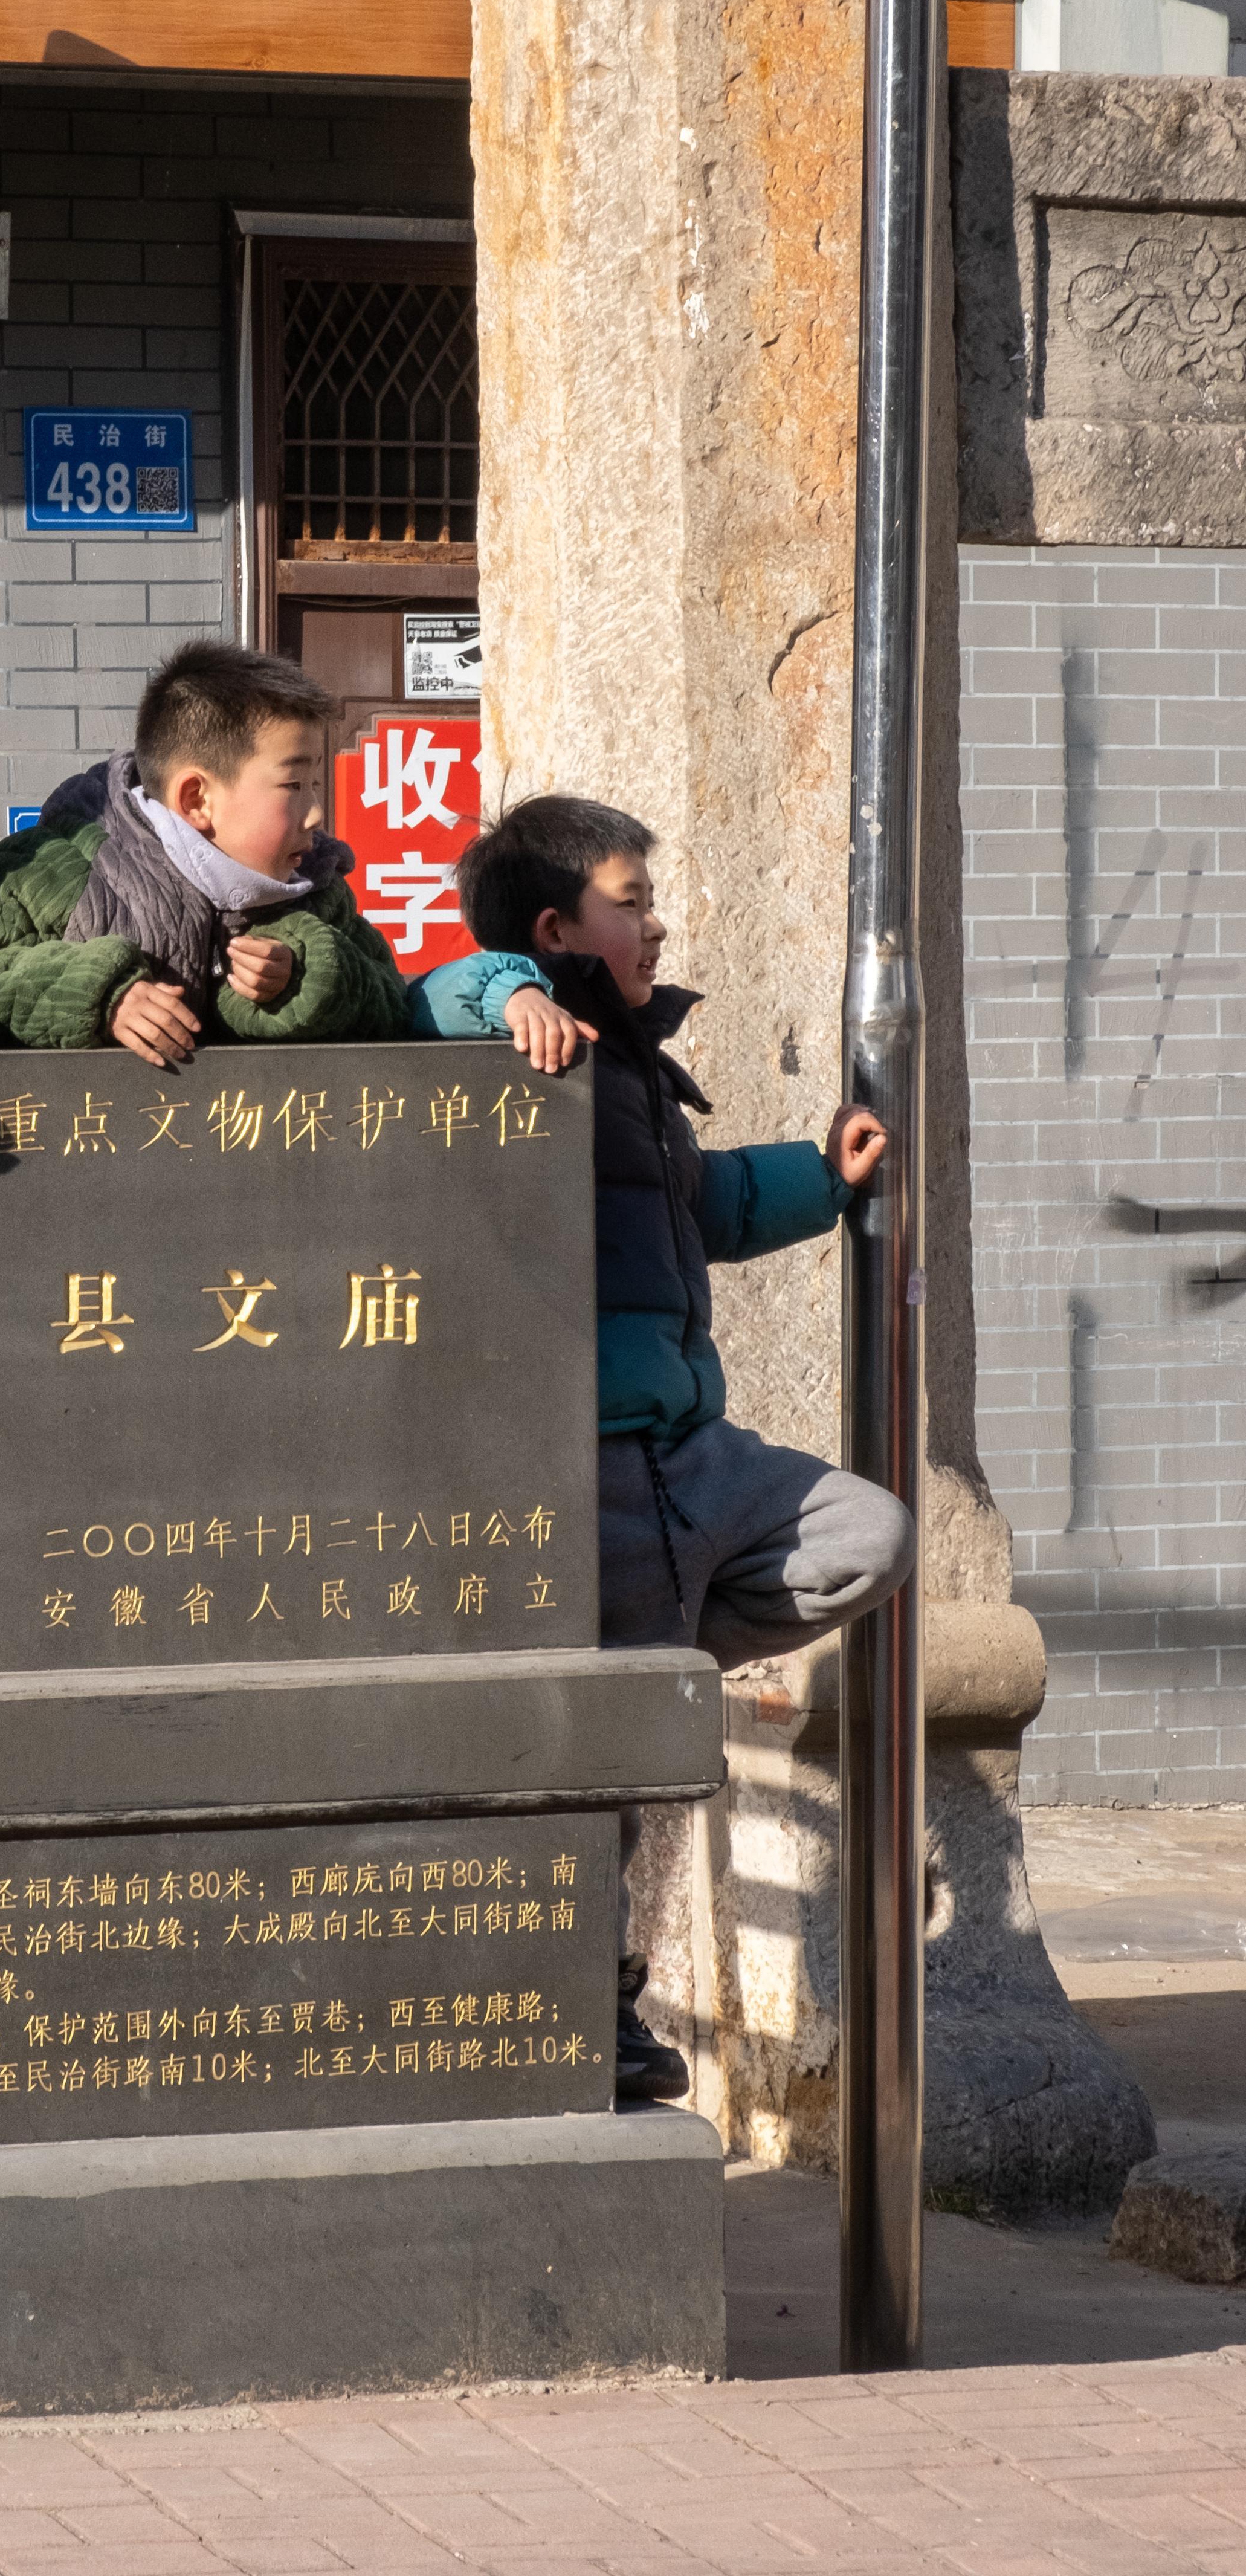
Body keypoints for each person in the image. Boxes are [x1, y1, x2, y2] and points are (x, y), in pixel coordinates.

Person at [411, 792, 914, 2104]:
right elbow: (439, 990)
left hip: (696, 1460)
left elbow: (709, 1207)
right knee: (624, 1780)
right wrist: (512, 992)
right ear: (554, 925)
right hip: (590, 1468)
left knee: (866, 1535)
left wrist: (826, 1170)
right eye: (631, 899)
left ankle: (673, 1648)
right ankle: (601, 2006)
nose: (657, 920)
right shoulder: (516, 1042)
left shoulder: (633, 1069)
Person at [0, 641, 406, 1052]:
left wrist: (305, 977)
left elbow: (391, 1001)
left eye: (316, 783)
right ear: (195, 799)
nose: (316, 814)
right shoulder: (51, 868)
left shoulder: (317, 891)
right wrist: (99, 994)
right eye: (293, 785)